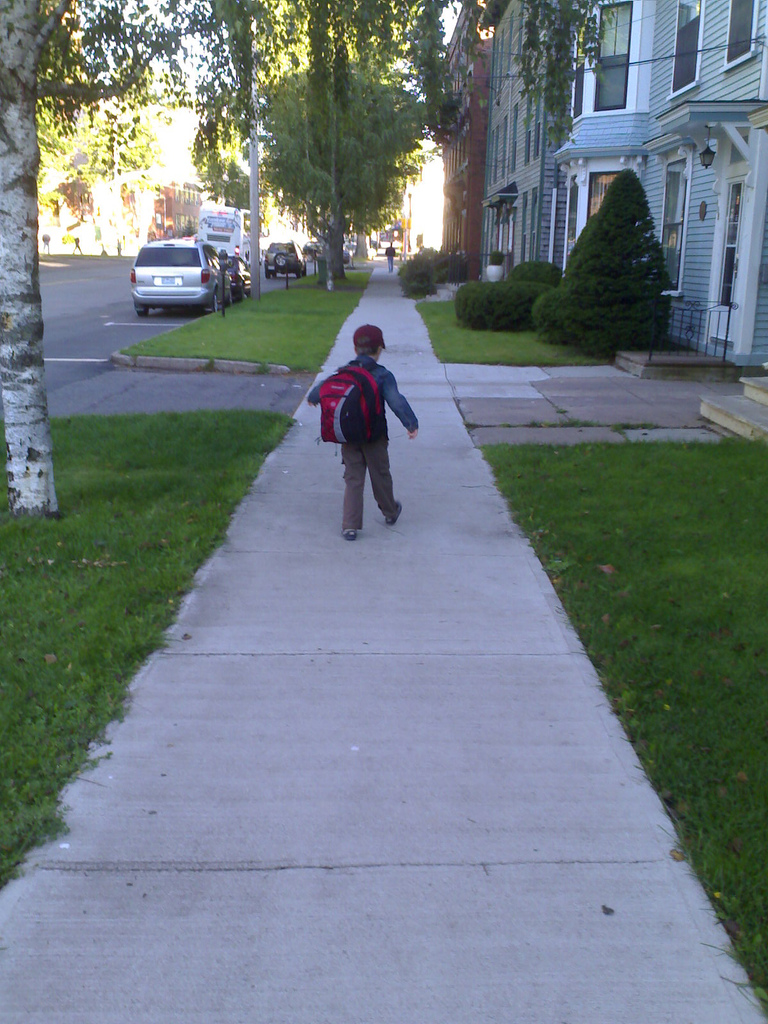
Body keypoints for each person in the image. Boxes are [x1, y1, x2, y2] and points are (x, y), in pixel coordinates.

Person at [307, 324, 418, 541]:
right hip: (374, 437)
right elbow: (396, 401)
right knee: (380, 475)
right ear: (379, 350)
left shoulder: (344, 371)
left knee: (353, 478)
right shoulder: (382, 375)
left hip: (348, 436)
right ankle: (390, 512)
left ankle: (350, 526)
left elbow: (319, 390)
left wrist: (313, 398)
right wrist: (410, 423)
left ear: (355, 348)